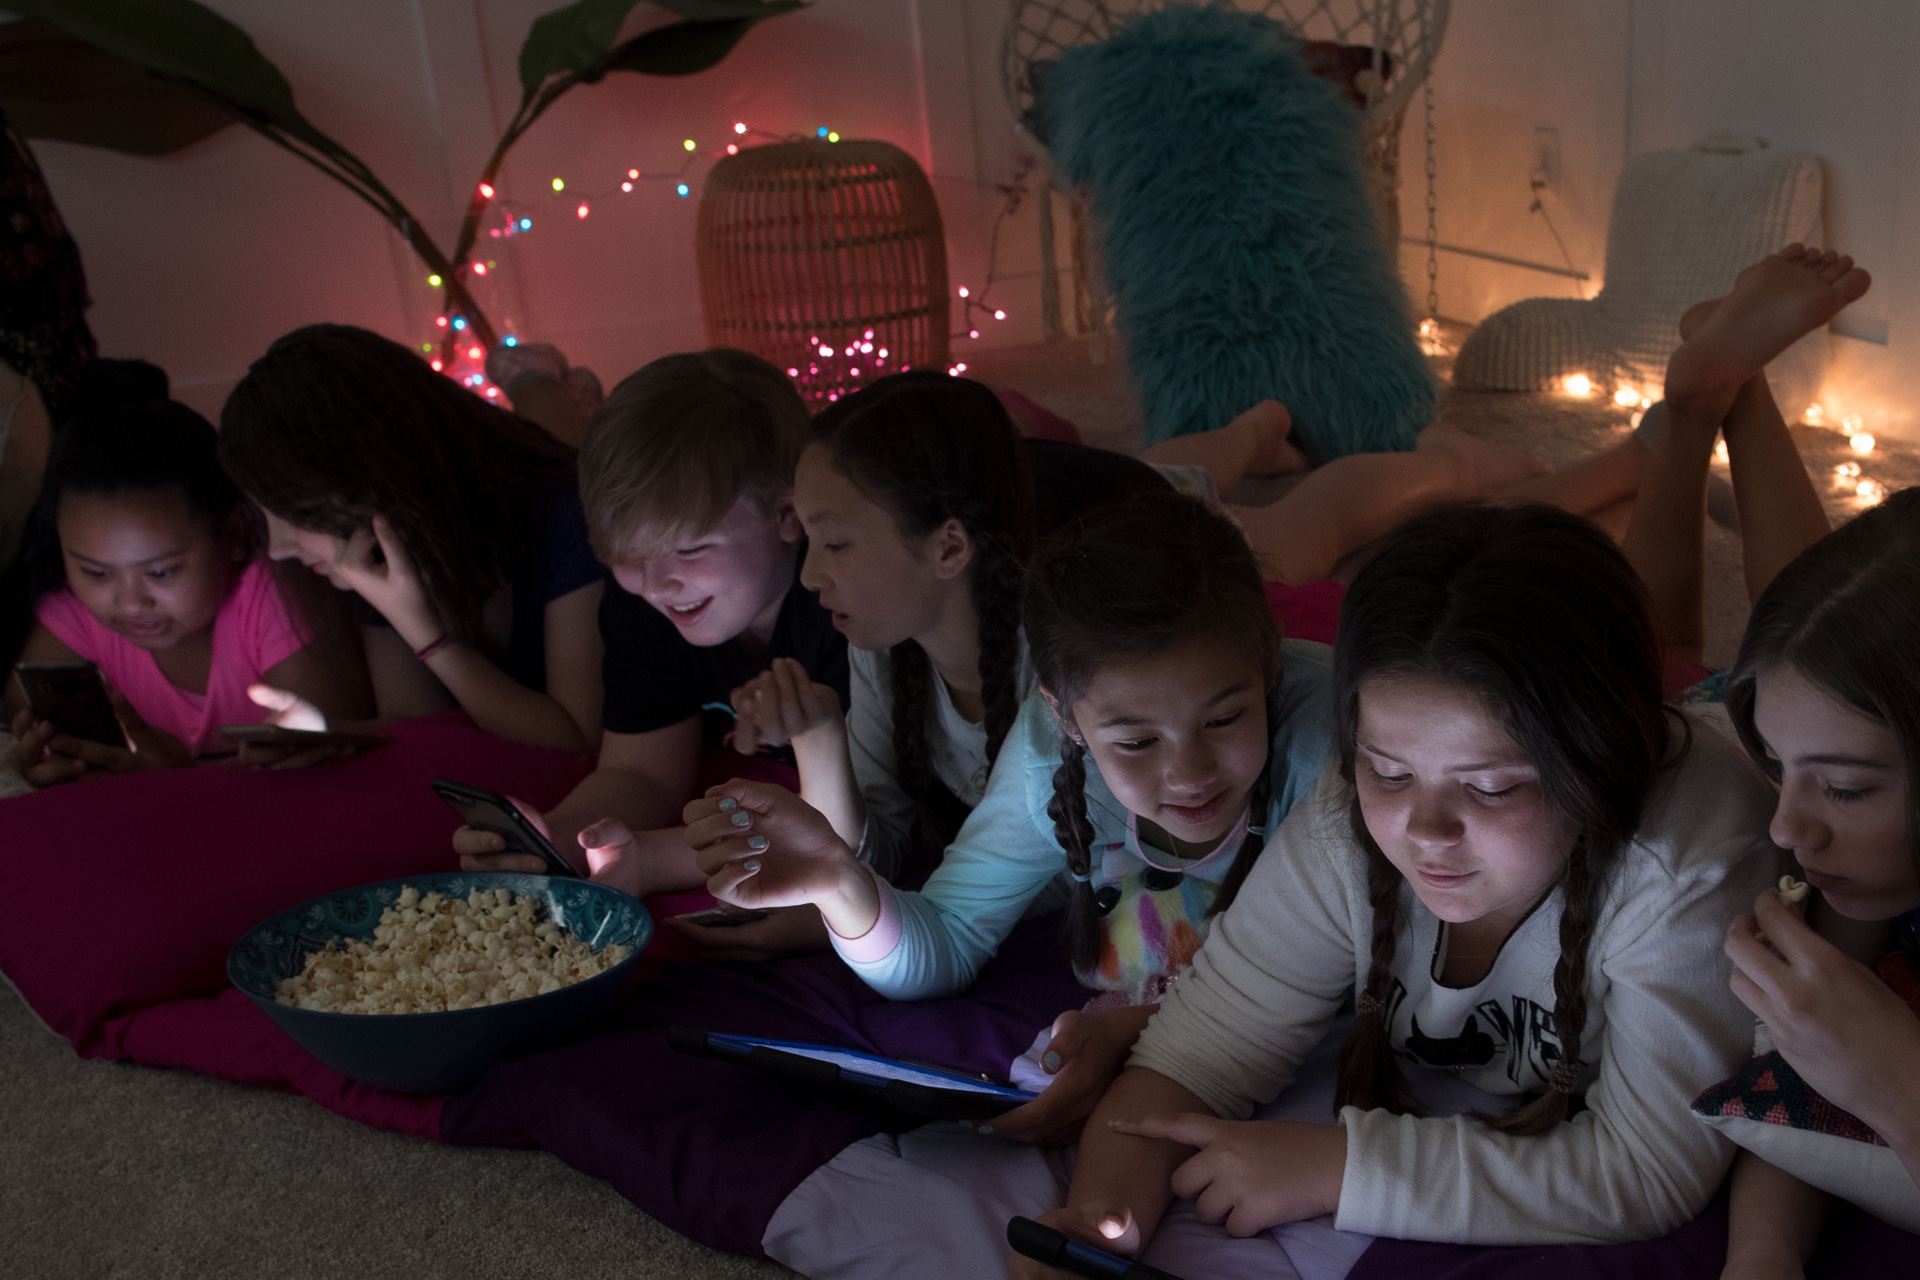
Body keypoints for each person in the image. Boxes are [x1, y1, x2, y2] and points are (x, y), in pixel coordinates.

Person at [1009, 504, 1780, 1278]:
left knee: (1728, 640)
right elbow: (1197, 1053)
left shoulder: (1686, 868)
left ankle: (1697, 422)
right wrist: (1098, 1227)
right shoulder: (1346, 815)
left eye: (1489, 787)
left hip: (1717, 741)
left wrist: (1340, 1167)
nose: (1425, 830)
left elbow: (1648, 1170)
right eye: (1389, 772)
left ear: (1598, 762)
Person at [685, 489, 1339, 1149]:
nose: (1190, 773)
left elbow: (1398, 996)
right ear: (1064, 717)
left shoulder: (1336, 754)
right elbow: (941, 943)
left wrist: (1140, 1030)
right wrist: (838, 882)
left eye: (1225, 719)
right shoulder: (1047, 757)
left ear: (1271, 669)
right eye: (1137, 742)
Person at [455, 349, 850, 893]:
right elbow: (643, 772)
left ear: (787, 515)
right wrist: (554, 839)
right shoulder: (646, 600)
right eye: (626, 556)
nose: (656, 582)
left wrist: (652, 858)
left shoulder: (844, 606)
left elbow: (860, 821)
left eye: (688, 549)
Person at [217, 324, 605, 752]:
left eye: (297, 515)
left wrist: (426, 633)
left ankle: (535, 379)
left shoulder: (566, 516)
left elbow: (573, 741)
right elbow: (418, 726)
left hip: (562, 475)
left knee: (582, 454)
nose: (277, 548)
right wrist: (325, 735)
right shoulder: (379, 548)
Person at [5, 392, 368, 786]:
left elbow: (326, 757)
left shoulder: (274, 596)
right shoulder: (69, 614)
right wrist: (43, 764)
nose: (130, 604)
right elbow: (20, 728)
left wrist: (178, 780)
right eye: (95, 573)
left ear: (234, 533)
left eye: (160, 573)